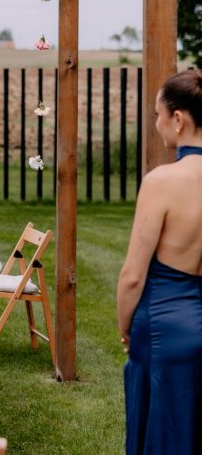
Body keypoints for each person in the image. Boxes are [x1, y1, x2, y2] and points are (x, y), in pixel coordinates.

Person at [118, 69, 202, 455]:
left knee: (160, 433)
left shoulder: (162, 182)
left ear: (179, 119)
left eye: (157, 115)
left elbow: (133, 276)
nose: (157, 124)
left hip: (163, 330)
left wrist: (126, 326)